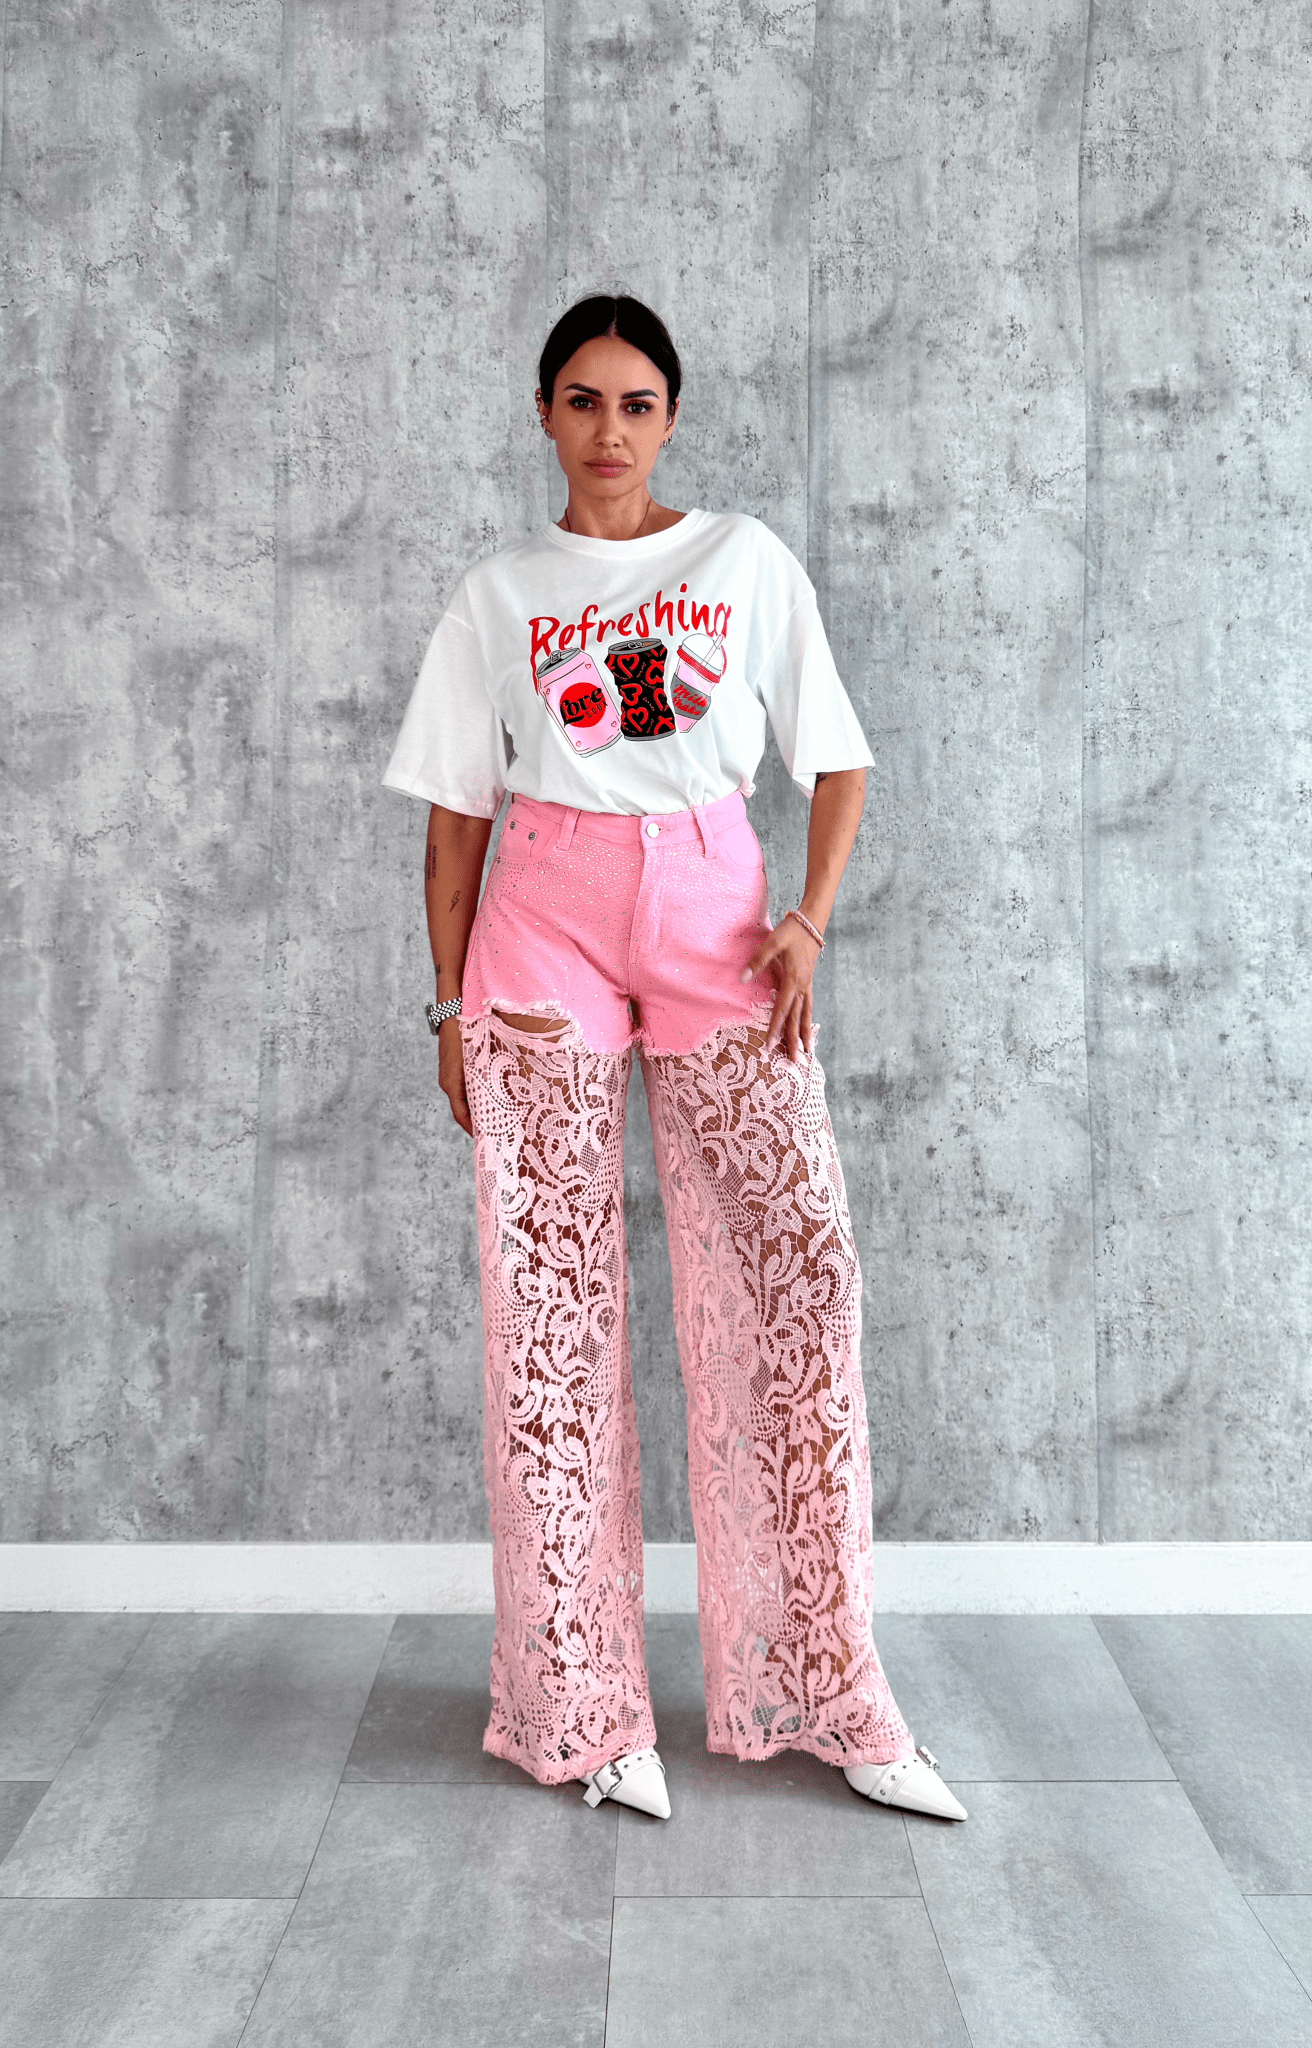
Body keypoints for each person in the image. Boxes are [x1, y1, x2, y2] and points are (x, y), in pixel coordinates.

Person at [382, 293, 966, 1826]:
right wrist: (446, 1009)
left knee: (795, 1276)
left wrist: (808, 920)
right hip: (540, 926)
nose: (611, 430)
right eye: (583, 400)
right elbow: (453, 819)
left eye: (637, 403)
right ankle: (579, 1707)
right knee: (549, 1312)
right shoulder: (499, 593)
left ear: (672, 418)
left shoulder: (743, 561)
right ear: (543, 413)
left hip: (716, 918)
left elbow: (833, 757)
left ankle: (826, 1688)